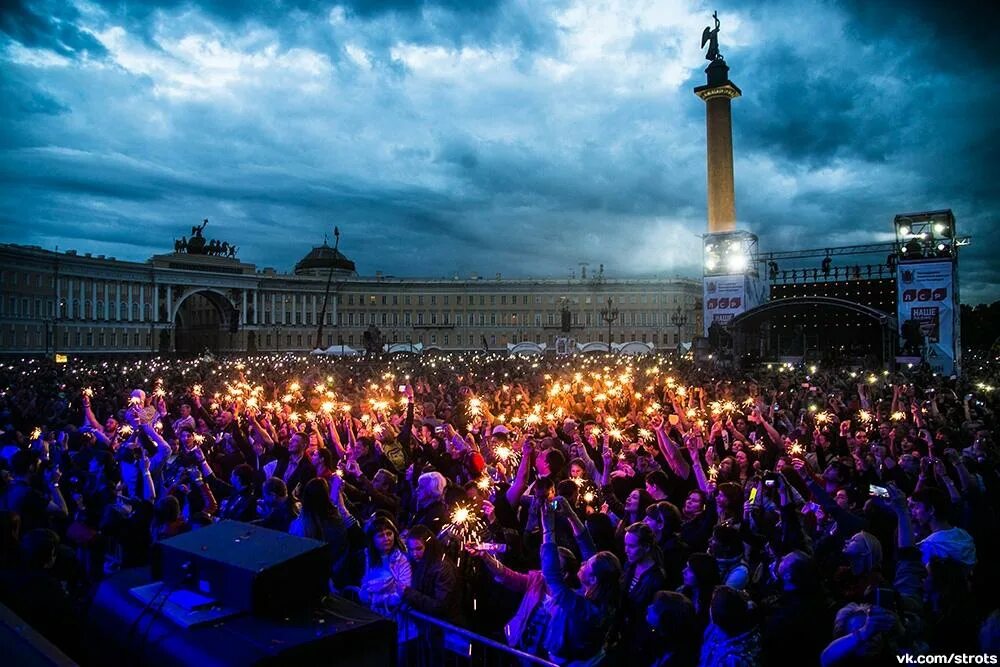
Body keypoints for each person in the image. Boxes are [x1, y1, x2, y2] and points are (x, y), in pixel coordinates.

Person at [540, 497, 621, 665]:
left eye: (587, 565)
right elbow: (587, 545)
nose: (583, 562)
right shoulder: (604, 593)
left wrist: (548, 529)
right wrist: (570, 515)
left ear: (593, 579)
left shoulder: (586, 610)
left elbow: (552, 576)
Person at [646, 591, 699, 667]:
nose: (649, 607)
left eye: (655, 609)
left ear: (668, 622)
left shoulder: (677, 661)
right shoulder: (658, 639)